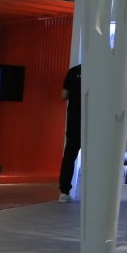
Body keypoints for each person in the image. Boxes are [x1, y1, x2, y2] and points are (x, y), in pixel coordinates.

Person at [58, 63, 82, 201]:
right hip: (94, 120)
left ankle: (64, 192)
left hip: (74, 119)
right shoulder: (101, 71)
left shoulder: (74, 71)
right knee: (94, 157)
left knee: (69, 156)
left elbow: (64, 95)